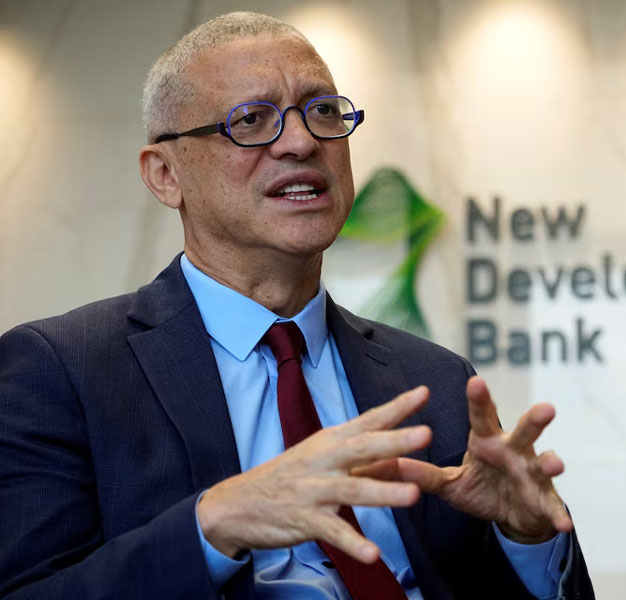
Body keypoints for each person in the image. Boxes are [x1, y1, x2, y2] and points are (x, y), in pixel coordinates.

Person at [0, 11, 593, 600]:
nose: (303, 142)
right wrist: (215, 524)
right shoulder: (62, 370)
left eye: (323, 110)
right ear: (165, 174)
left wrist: (528, 538)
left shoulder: (436, 380)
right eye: (251, 120)